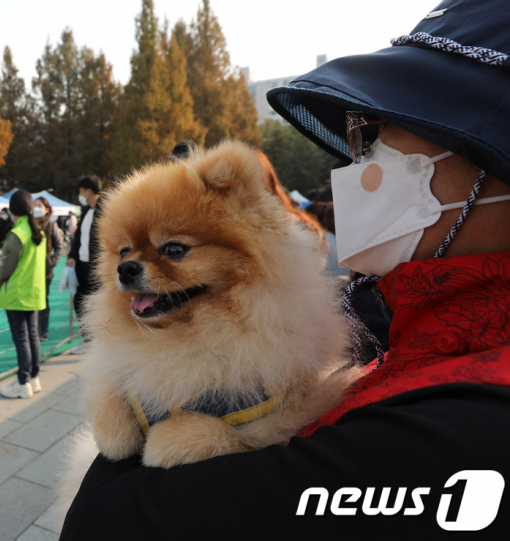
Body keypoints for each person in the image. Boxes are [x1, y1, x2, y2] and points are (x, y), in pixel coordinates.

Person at [63, 3, 510, 537]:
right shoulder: (388, 310)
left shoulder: (470, 424)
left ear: (492, 167)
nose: (356, 155)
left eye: (379, 132)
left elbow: (108, 521)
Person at [0, 190, 46, 399]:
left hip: (17, 292)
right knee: (32, 336)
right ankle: (33, 378)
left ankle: (23, 381)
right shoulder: (38, 233)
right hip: (33, 291)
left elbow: (7, 266)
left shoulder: (17, 234)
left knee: (22, 338)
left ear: (12, 210)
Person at [66, 175, 103, 355]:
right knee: (80, 303)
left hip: (98, 267)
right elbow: (78, 237)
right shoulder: (86, 210)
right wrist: (72, 255)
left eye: (80, 191)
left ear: (88, 191)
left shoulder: (107, 209)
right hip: (81, 265)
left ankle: (102, 342)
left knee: (100, 305)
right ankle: (87, 340)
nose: (79, 194)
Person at [34, 197, 63, 341]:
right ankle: (33, 329)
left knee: (43, 301)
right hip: (30, 270)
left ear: (47, 209)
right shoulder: (29, 223)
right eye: (34, 206)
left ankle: (43, 330)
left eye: (39, 205)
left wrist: (52, 262)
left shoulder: (52, 225)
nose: (36, 208)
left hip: (45, 271)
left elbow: (59, 246)